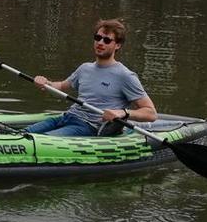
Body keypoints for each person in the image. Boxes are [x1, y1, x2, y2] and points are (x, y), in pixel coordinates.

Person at [26, 18, 157, 137]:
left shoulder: (125, 76)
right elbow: (61, 86)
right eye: (97, 37)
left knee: (40, 139)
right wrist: (45, 83)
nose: (100, 42)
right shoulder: (85, 68)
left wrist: (123, 113)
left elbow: (151, 113)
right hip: (67, 117)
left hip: (89, 127)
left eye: (106, 40)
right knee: (24, 133)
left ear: (117, 45)